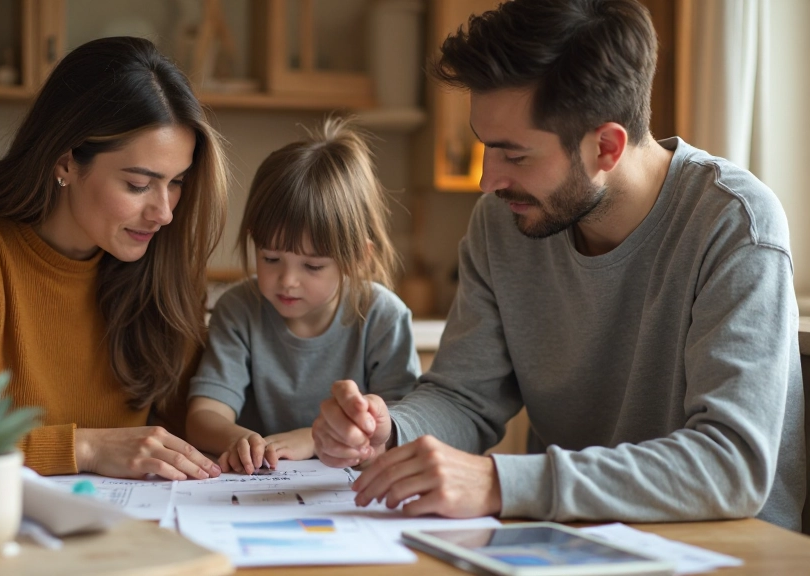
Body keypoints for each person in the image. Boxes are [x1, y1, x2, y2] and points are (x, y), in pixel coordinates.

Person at [312, 0, 805, 531]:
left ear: (607, 147)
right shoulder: (502, 224)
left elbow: (731, 464)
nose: (487, 180)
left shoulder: (735, 224)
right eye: (485, 148)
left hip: (729, 550)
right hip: (567, 541)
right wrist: (390, 429)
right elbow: (464, 397)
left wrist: (502, 483)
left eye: (514, 155)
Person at [0, 37, 229, 489]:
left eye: (176, 183)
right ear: (66, 162)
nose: (164, 212)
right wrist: (85, 448)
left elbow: (197, 430)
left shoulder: (159, 269)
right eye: (137, 184)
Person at [186, 118, 420, 474]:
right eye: (271, 258)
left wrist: (315, 437)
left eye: (312, 266)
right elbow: (204, 415)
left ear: (357, 258)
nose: (288, 281)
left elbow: (399, 429)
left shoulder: (383, 317)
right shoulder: (239, 310)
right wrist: (242, 440)